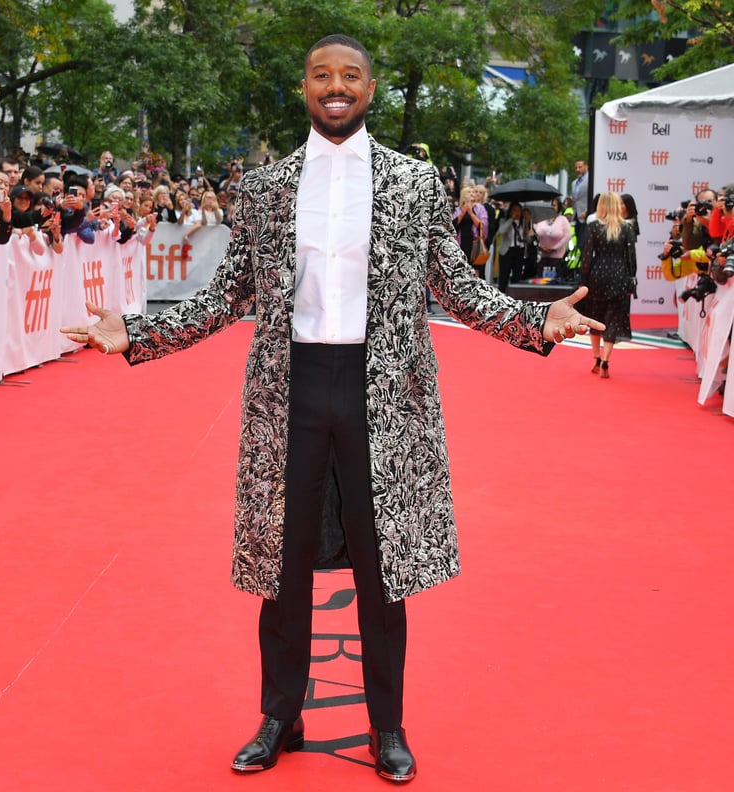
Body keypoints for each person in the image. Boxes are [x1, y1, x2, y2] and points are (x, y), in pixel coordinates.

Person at [62, 34, 603, 784]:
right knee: (279, 565)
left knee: (385, 569)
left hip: (385, 393)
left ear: (370, 89)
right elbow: (228, 296)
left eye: (350, 75)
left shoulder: (415, 185)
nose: (336, 86)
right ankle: (280, 714)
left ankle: (388, 725)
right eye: (323, 75)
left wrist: (534, 321)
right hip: (290, 387)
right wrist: (138, 334)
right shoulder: (265, 188)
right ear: (305, 87)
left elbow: (454, 286)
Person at [580, 191, 636, 379]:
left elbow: (587, 257)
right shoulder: (627, 228)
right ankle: (606, 360)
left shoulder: (593, 227)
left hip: (598, 275)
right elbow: (631, 258)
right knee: (612, 318)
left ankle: (596, 356)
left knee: (595, 315)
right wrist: (631, 278)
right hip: (619, 274)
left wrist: (583, 280)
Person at [452, 185, 488, 278]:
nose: (472, 194)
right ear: (464, 195)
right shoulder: (458, 209)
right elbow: (453, 226)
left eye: (473, 192)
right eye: (469, 192)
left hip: (474, 244)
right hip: (461, 244)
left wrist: (471, 213)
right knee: (461, 271)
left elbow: (482, 226)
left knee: (475, 271)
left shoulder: (480, 208)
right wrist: (464, 211)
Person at [534, 198, 571, 280]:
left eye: (554, 205)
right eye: (550, 205)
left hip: (557, 259)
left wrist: (555, 248)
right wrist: (540, 246)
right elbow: (535, 233)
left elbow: (567, 236)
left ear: (558, 207)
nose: (551, 207)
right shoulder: (541, 219)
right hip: (543, 258)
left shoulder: (563, 220)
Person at [496, 201, 526, 293]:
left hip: (519, 250)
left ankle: (515, 296)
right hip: (507, 250)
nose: (517, 213)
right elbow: (501, 231)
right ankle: (501, 296)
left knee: (517, 275)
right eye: (514, 210)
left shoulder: (523, 222)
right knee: (504, 276)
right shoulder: (504, 220)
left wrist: (528, 230)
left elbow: (526, 239)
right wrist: (511, 219)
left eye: (518, 211)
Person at [572, 159, 589, 250]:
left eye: (580, 167)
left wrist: (587, 211)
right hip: (576, 215)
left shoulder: (591, 180)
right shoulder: (574, 183)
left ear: (586, 167)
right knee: (578, 242)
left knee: (584, 243)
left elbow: (592, 197)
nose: (577, 170)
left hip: (586, 215)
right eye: (576, 168)